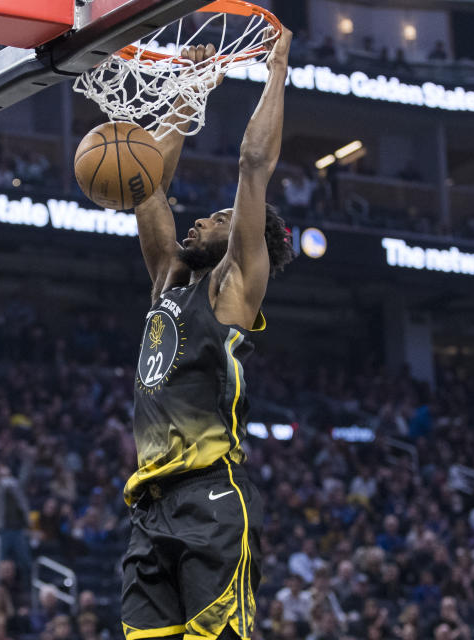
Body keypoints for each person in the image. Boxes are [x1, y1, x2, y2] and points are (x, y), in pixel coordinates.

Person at [99, 27, 295, 640]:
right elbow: (147, 184)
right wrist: (188, 96)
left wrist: (277, 70)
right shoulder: (168, 279)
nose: (205, 217)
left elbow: (253, 164)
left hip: (212, 498)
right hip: (151, 506)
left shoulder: (235, 286)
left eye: (219, 218)